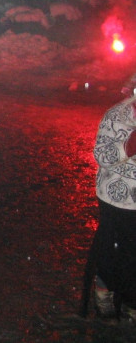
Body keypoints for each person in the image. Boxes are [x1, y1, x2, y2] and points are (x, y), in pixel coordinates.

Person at [87, 95, 136, 319]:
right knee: (113, 248)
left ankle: (131, 301)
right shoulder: (118, 115)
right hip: (116, 199)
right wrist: (129, 145)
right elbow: (102, 155)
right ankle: (104, 290)